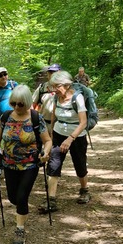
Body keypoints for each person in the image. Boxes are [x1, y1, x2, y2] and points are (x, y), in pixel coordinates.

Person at [0, 85, 52, 244]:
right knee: (13, 197)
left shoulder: (35, 117)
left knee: (21, 197)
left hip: (30, 165)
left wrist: (45, 153)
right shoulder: (5, 117)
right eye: (14, 103)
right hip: (9, 165)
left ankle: (20, 230)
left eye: (20, 104)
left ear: (27, 103)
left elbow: (47, 140)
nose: (17, 107)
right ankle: (22, 211)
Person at [38, 70, 90, 214]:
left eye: (57, 86)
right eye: (53, 86)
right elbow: (54, 115)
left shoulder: (77, 98)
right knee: (53, 165)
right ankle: (51, 200)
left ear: (66, 85)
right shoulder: (56, 98)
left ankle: (84, 190)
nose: (54, 90)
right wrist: (51, 134)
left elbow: (83, 122)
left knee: (79, 163)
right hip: (59, 134)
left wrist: (70, 138)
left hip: (77, 137)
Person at [32, 63, 61, 135]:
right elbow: (32, 105)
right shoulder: (42, 87)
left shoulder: (65, 88)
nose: (52, 74)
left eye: (54, 72)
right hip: (43, 123)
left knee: (58, 145)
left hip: (59, 124)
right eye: (50, 72)